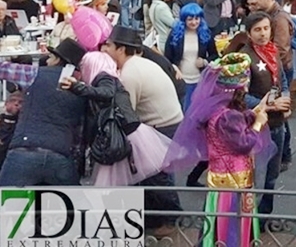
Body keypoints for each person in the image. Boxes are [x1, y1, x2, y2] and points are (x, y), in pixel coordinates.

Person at [165, 53, 275, 247]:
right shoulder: (229, 116)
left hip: (220, 178)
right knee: (231, 227)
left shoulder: (216, 109)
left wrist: (255, 112)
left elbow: (235, 125)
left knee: (216, 224)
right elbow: (244, 143)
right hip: (233, 182)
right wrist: (258, 124)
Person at [101, 25, 184, 236]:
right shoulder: (139, 64)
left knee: (156, 175)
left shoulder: (130, 73)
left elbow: (127, 113)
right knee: (151, 175)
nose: (104, 49)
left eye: (108, 45)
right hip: (166, 123)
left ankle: (172, 221)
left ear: (121, 49)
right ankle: (156, 219)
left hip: (162, 127)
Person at [61, 51, 173, 186]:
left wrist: (77, 87)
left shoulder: (104, 77)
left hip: (122, 137)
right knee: (148, 183)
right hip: (129, 134)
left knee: (119, 187)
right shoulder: (111, 78)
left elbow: (107, 93)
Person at [0, 39, 87, 186]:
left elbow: (4, 69)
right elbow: (79, 135)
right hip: (60, 155)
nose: (47, 61)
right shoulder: (82, 88)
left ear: (58, 59)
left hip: (24, 151)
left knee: (5, 205)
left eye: (51, 57)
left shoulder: (35, 74)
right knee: (76, 205)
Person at [238, 12, 291, 215]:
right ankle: (251, 220)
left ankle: (266, 214)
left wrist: (285, 101)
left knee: (272, 174)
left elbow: (282, 79)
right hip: (255, 125)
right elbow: (240, 96)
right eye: (257, 30)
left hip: (277, 122)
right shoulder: (244, 57)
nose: (263, 34)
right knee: (256, 175)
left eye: (266, 28)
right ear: (249, 33)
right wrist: (268, 105)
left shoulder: (272, 50)